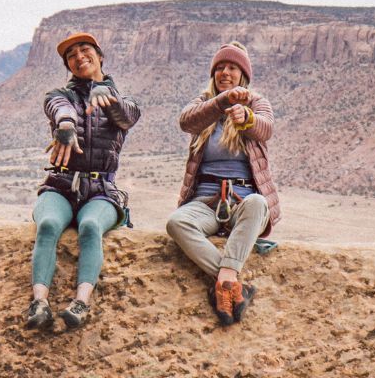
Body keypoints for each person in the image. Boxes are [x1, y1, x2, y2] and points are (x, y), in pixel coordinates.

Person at [25, 31, 141, 332]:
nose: (79, 57)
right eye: (71, 55)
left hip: (102, 190)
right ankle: (39, 302)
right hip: (61, 184)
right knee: (49, 224)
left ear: (100, 56)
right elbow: (58, 109)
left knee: (90, 227)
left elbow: (125, 117)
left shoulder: (126, 103)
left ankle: (80, 302)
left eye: (85, 50)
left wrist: (107, 96)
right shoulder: (59, 96)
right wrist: (65, 125)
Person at [165, 42, 280, 326]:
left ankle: (223, 281)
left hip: (242, 199)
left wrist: (246, 117)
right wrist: (222, 102)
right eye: (219, 68)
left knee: (258, 203)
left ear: (243, 74)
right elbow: (187, 122)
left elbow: (265, 128)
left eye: (232, 67)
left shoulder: (256, 102)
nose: (224, 73)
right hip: (205, 199)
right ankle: (232, 285)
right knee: (177, 223)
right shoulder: (203, 104)